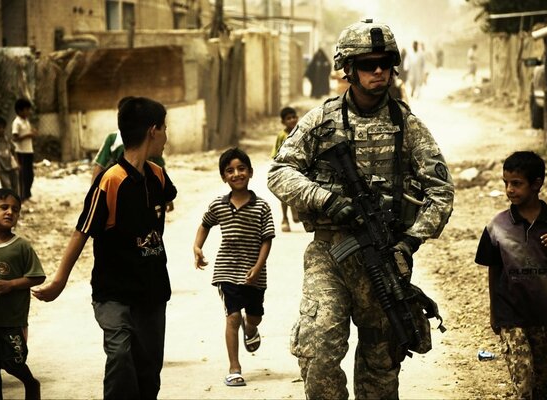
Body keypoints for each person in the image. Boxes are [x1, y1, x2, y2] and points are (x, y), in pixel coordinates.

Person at [267, 19, 454, 399]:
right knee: (318, 349)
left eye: (385, 62)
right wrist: (327, 200)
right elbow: (279, 173)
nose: (379, 71)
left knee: (382, 362)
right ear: (348, 68)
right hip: (329, 254)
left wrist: (410, 242)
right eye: (369, 64)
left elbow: (441, 191)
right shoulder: (321, 121)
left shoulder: (407, 125)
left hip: (386, 259)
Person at [32, 97, 177, 399]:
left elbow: (162, 206)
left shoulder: (158, 176)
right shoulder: (111, 180)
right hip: (114, 293)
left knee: (148, 372)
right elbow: (81, 230)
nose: (166, 135)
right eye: (165, 128)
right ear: (153, 131)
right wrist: (59, 281)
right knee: (121, 354)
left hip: (152, 292)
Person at [475, 151, 547, 400]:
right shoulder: (497, 226)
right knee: (524, 381)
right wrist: (494, 312)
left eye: (516, 183)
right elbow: (493, 269)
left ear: (537, 184)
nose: (509, 190)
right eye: (505, 183)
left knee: (542, 378)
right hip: (511, 314)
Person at [193, 147, 274, 387]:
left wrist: (258, 267)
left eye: (241, 169)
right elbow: (205, 225)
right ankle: (234, 368)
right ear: (223, 177)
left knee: (254, 316)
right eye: (230, 170)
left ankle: (251, 330)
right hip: (227, 269)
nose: (236, 174)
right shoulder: (219, 205)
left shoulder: (262, 207)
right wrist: (197, 247)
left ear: (250, 172)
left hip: (254, 273)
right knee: (233, 316)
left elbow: (266, 239)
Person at [0, 188, 45, 400]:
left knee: (14, 362)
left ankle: (31, 384)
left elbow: (37, 276)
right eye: (3, 207)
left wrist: (12, 285)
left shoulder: (21, 247)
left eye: (15, 210)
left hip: (11, 321)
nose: (10, 213)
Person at [271, 107, 300, 232]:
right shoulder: (282, 136)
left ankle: (295, 209)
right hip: (285, 168)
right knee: (283, 195)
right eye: (288, 118)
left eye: (294, 117)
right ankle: (284, 218)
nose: (292, 120)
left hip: (298, 168)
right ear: (283, 122)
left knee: (297, 191)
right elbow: (275, 153)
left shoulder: (301, 132)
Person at [11, 98, 37, 203]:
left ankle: (27, 194)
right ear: (20, 110)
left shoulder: (26, 121)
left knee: (30, 175)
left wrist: (32, 133)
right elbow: (14, 138)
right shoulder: (16, 122)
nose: (29, 112)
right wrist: (28, 135)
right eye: (27, 109)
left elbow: (28, 133)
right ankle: (22, 196)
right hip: (21, 152)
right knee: (23, 175)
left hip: (29, 150)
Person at [0, 117, 20, 195]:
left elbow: (13, 150)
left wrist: (16, 162)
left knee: (15, 185)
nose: (1, 130)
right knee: (7, 186)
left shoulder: (7, 139)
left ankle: (16, 201)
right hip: (1, 167)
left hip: (11, 165)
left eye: (3, 128)